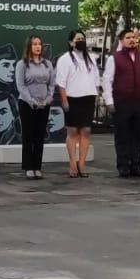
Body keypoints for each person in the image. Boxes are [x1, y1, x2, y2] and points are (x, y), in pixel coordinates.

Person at [101, 29, 140, 179]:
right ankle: (123, 166)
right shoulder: (115, 58)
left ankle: (136, 165)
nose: (132, 40)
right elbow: (107, 80)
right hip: (121, 103)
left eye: (133, 37)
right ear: (122, 41)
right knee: (122, 136)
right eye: (128, 38)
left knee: (138, 136)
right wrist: (109, 101)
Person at [54, 31, 98, 178]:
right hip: (72, 98)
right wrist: (64, 101)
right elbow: (61, 83)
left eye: (83, 39)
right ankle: (72, 162)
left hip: (88, 98)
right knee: (73, 132)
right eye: (78, 39)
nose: (81, 41)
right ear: (71, 42)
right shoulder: (65, 59)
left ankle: (82, 163)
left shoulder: (91, 58)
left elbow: (96, 78)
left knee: (85, 131)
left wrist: (96, 94)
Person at [15, 36, 55, 179]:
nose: (38, 47)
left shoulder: (47, 64)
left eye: (39, 44)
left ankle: (37, 166)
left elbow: (51, 84)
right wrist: (31, 101)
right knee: (28, 135)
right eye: (34, 44)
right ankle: (28, 167)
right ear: (29, 47)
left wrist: (48, 99)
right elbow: (21, 86)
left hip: (44, 105)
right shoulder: (22, 64)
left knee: (39, 136)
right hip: (27, 104)